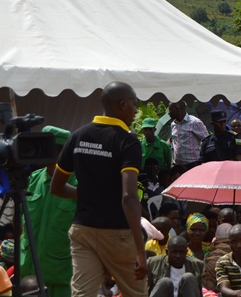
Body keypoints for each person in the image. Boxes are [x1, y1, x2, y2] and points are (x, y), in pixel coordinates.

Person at [51, 82, 147, 297]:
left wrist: (86, 194)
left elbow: (56, 187)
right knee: (135, 293)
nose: (135, 110)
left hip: (83, 230)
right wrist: (141, 251)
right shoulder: (128, 141)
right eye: (134, 104)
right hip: (118, 233)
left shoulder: (78, 135)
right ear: (123, 105)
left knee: (82, 294)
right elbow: (129, 197)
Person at [20, 125, 78, 297]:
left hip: (61, 276)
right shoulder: (33, 180)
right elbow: (20, 222)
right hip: (29, 273)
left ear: (62, 152)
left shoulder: (79, 183)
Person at [168, 101, 208, 168]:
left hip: (193, 164)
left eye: (170, 110)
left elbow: (207, 141)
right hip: (178, 165)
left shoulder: (194, 122)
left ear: (177, 108)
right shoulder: (173, 124)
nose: (169, 113)